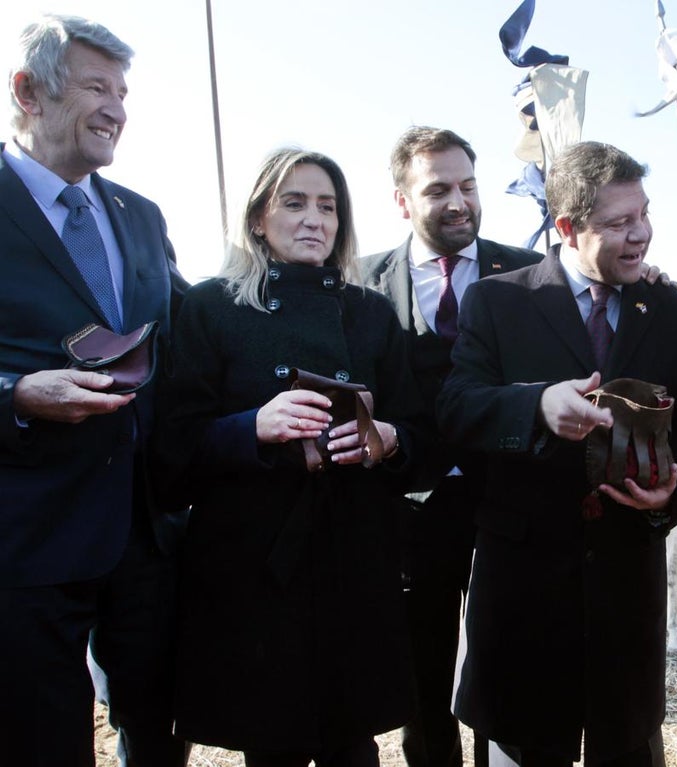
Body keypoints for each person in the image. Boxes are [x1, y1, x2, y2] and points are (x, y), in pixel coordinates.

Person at [437, 140, 677, 767]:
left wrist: (670, 493)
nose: (639, 234)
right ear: (565, 227)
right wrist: (536, 406)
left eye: (643, 214)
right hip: (524, 604)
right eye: (619, 223)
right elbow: (456, 408)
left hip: (626, 600)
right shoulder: (498, 300)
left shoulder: (672, 313)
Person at [158, 149, 427, 766]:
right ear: (258, 218)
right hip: (253, 571)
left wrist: (388, 440)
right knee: (272, 745)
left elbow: (422, 436)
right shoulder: (212, 307)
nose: (315, 219)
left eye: (328, 207)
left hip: (353, 561)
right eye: (295, 202)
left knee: (353, 744)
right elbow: (172, 452)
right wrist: (252, 426)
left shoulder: (372, 314)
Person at [0, 14, 188, 766]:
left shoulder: (139, 216)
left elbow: (186, 339)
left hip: (144, 533)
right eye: (96, 88)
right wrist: (14, 394)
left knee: (159, 734)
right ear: (28, 92)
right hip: (25, 543)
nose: (117, 108)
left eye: (123, 91)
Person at [360, 126, 541, 767]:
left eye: (468, 184)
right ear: (402, 201)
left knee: (509, 677)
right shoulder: (358, 284)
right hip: (409, 511)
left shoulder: (529, 273)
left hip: (510, 506)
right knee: (423, 685)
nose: (459, 201)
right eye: (438, 189)